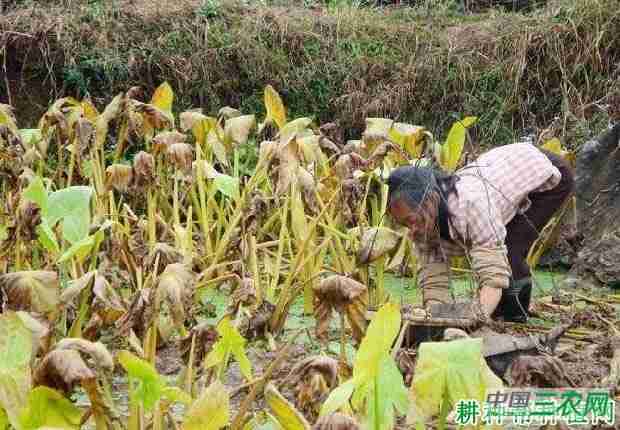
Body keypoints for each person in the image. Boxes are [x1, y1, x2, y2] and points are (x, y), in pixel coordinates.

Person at [386, 142, 575, 322]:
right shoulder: (421, 224)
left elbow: (493, 278)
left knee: (511, 249)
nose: (413, 229)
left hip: (543, 173)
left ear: (430, 200)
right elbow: (434, 277)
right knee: (504, 246)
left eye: (412, 220)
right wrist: (435, 315)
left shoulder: (469, 205)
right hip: (501, 173)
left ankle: (514, 316)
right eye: (405, 224)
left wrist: (474, 318)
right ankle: (502, 312)